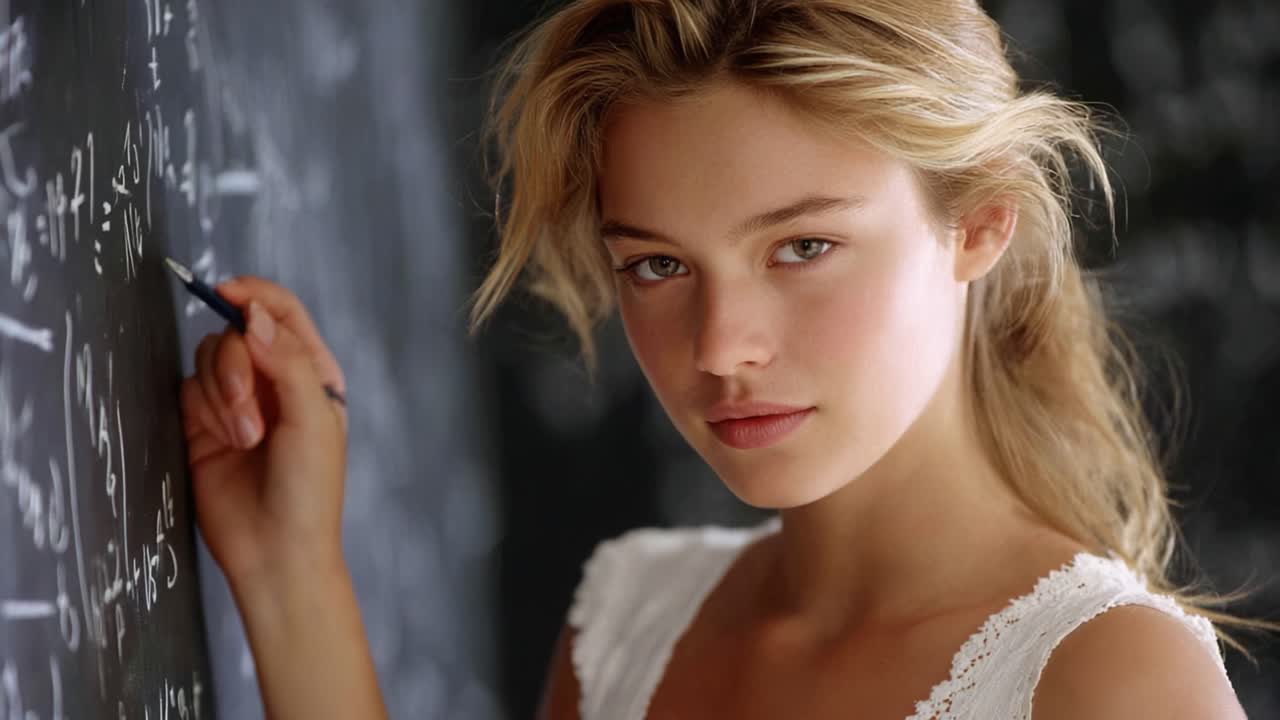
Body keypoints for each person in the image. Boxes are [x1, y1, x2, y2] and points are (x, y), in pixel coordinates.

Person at [181, 1, 1273, 718]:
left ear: (977, 226)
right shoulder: (627, 628)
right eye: (656, 265)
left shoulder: (1109, 682)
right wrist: (290, 575)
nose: (719, 348)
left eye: (801, 247)